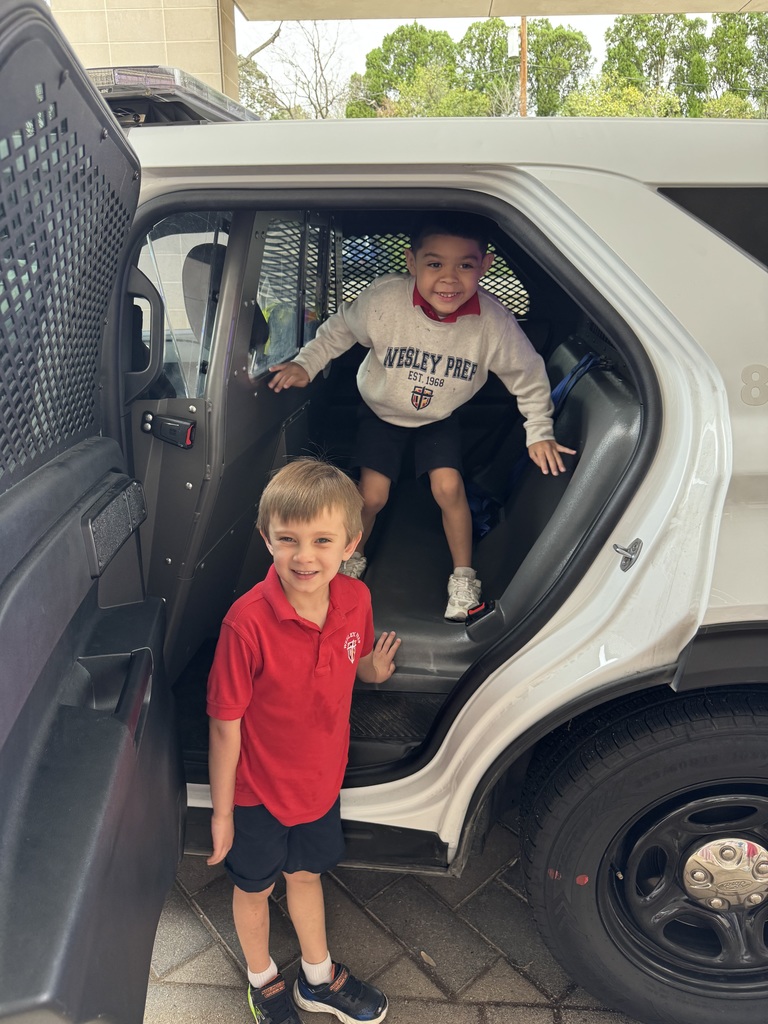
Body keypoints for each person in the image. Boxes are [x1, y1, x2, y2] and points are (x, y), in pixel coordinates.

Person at [268, 215, 575, 621]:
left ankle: (464, 578)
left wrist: (539, 431)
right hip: (381, 411)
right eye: (434, 264)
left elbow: (528, 374)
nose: (449, 279)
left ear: (484, 267)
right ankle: (350, 560)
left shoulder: (493, 323)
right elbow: (339, 329)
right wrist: (307, 364)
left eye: (465, 265)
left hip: (439, 416)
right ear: (412, 264)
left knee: (448, 489)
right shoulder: (384, 302)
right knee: (372, 496)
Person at [206, 458, 400, 1024]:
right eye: (287, 540)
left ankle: (316, 980)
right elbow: (225, 724)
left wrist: (373, 673)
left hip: (319, 785)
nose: (304, 556)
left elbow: (352, 661)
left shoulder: (356, 600)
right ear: (266, 538)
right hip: (256, 793)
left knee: (308, 875)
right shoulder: (246, 624)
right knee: (255, 888)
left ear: (350, 544)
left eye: (322, 540)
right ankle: (263, 979)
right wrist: (222, 814)